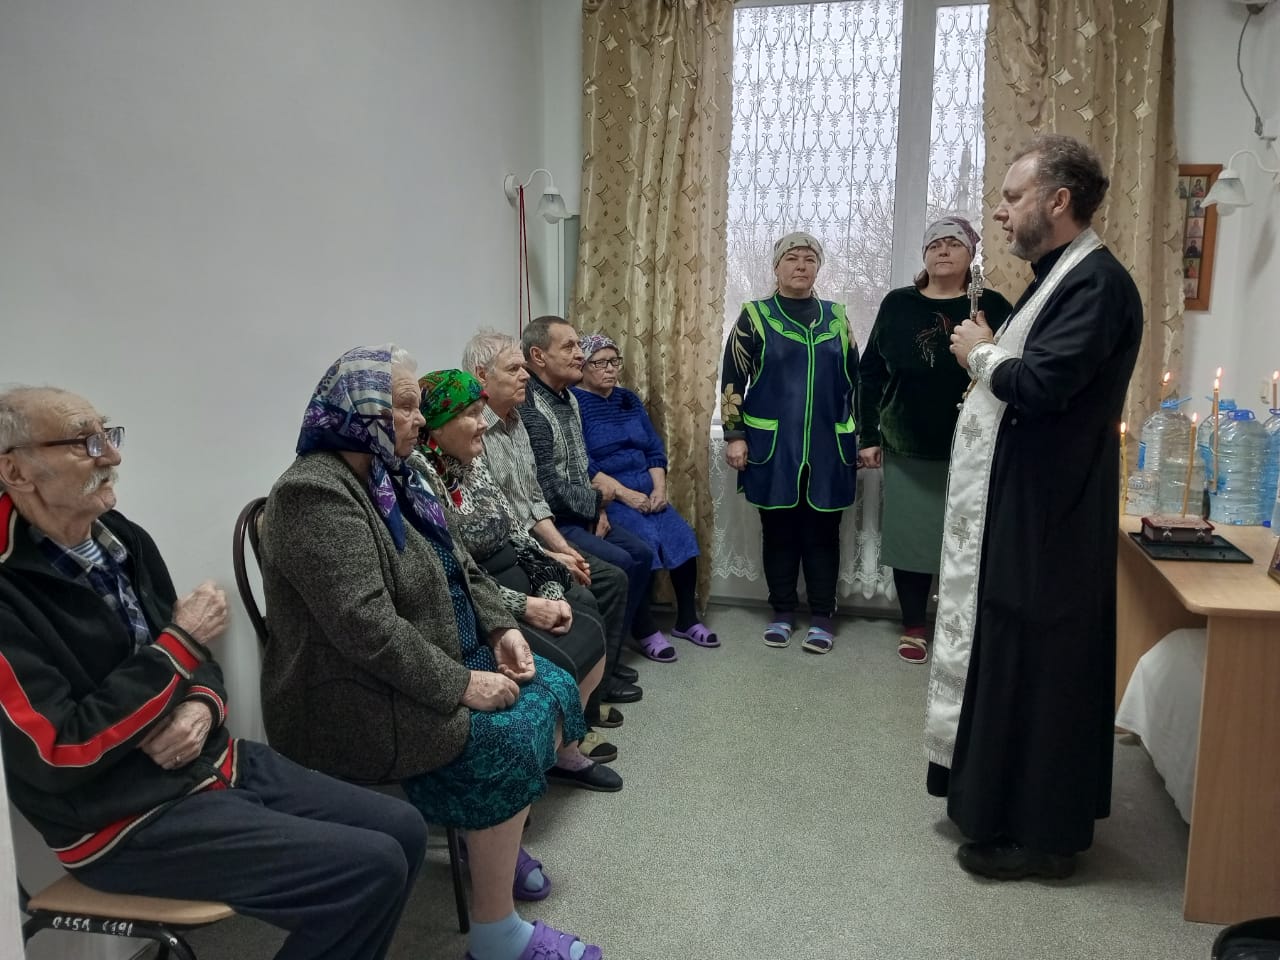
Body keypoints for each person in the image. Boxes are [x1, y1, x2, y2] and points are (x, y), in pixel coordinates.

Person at [0, 385, 427, 960]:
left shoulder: (121, 537)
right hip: (120, 819)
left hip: (212, 762)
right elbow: (58, 751)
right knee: (369, 869)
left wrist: (202, 705)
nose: (112, 455)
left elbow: (198, 662)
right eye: (85, 442)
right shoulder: (9, 588)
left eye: (108, 435)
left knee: (404, 828)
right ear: (15, 471)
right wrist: (179, 645)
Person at [258, 346, 608, 960]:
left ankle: (487, 839)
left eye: (419, 406)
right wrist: (462, 683)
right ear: (359, 411)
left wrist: (500, 629)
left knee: (550, 685)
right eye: (404, 406)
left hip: (431, 655)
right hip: (350, 694)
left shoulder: (394, 473)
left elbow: (463, 563)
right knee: (506, 734)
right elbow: (366, 629)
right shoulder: (314, 494)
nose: (418, 420)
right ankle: (496, 936)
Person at [925, 134, 1142, 880]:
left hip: (1053, 515)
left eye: (1013, 197)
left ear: (1059, 200)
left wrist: (978, 353)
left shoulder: (1097, 284)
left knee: (1043, 666)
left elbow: (1043, 386)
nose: (1000, 211)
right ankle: (998, 806)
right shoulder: (1060, 277)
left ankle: (1042, 839)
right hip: (1029, 505)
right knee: (1014, 656)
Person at [413, 368, 616, 764]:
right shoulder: (422, 476)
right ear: (436, 425)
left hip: (519, 575)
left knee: (588, 622)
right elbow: (458, 570)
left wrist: (548, 587)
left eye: (481, 412)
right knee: (563, 654)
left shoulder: (472, 462)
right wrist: (527, 606)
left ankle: (568, 747)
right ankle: (561, 749)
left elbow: (515, 531)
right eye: (470, 415)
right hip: (487, 597)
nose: (481, 425)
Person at [463, 329, 640, 724]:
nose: (524, 375)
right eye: (514, 368)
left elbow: (534, 499)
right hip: (509, 552)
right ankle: (584, 710)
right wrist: (551, 553)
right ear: (482, 375)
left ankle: (595, 691)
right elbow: (506, 519)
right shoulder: (474, 432)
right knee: (593, 587)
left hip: (530, 539)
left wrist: (562, 549)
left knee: (609, 573)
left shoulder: (515, 420)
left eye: (523, 368)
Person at [857, 217, 1013, 663]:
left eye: (954, 244)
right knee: (912, 539)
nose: (943, 251)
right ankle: (914, 626)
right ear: (925, 255)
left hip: (974, 448)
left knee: (970, 541)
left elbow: (1011, 370)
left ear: (970, 255)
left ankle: (961, 627)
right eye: (935, 245)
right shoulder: (897, 304)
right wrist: (868, 435)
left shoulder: (992, 305)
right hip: (907, 444)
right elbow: (870, 373)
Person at [720, 231, 859, 653]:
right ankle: (782, 612)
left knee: (823, 533)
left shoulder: (838, 318)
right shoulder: (754, 316)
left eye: (809, 259)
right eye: (792, 258)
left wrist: (864, 435)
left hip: (828, 446)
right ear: (777, 267)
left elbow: (857, 380)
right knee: (778, 531)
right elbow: (732, 380)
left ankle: (822, 617)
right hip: (772, 447)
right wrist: (735, 435)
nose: (801, 265)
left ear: (818, 268)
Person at [520, 317, 674, 665]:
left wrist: (598, 509)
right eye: (570, 347)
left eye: (579, 345)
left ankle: (611, 655)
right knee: (621, 565)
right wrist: (598, 501)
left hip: (583, 510)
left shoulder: (567, 398)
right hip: (553, 520)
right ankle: (600, 666)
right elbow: (547, 489)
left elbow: (581, 468)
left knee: (641, 554)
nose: (580, 354)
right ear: (539, 356)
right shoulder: (532, 408)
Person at [572, 334, 716, 649]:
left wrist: (659, 489)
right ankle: (644, 628)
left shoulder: (629, 399)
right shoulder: (573, 403)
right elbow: (584, 464)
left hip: (647, 490)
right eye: (600, 363)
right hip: (612, 496)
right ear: (582, 367)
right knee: (644, 543)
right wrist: (626, 495)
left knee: (682, 536)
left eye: (614, 361)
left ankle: (687, 620)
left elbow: (653, 449)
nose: (610, 369)